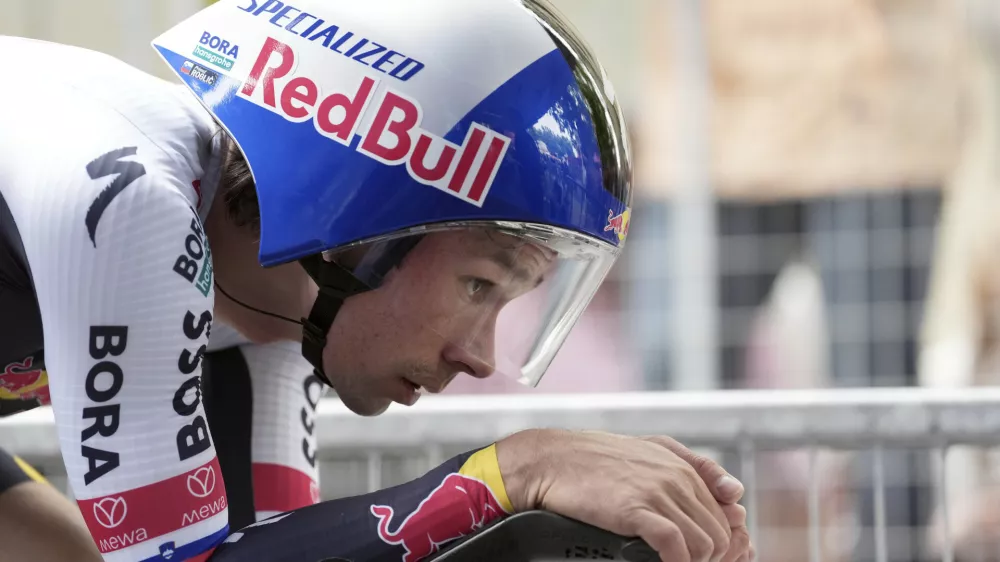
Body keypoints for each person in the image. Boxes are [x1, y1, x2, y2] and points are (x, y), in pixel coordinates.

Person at [0, 1, 754, 561]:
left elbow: (267, 547)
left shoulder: (265, 298)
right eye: (478, 287)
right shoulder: (130, 200)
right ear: (363, 232)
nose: (481, 357)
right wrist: (515, 471)